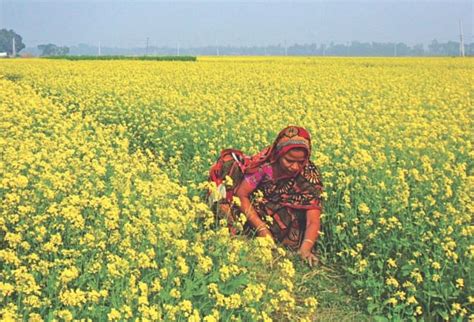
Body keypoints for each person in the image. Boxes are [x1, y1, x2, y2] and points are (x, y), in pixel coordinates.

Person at [208, 126, 323, 266]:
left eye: (300, 162)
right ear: (279, 154)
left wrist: (306, 249)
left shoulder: (310, 175)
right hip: (255, 210)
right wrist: (262, 229)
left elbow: (313, 219)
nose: (295, 167)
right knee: (226, 198)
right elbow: (242, 194)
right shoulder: (266, 166)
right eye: (289, 160)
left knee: (297, 224)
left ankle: (278, 243)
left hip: (280, 217)